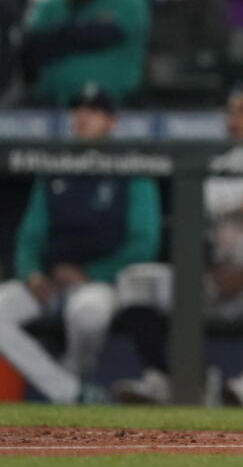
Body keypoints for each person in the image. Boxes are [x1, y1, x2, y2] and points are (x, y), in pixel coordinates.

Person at [113, 90, 243, 408]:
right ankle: (160, 378)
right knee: (136, 280)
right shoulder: (209, 172)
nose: (235, 120)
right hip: (208, 281)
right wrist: (208, 268)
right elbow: (187, 238)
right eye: (231, 112)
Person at [0, 85, 159, 403]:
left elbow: (145, 241)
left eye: (94, 112)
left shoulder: (133, 169)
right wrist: (30, 271)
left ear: (111, 122)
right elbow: (30, 235)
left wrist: (93, 273)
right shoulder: (55, 167)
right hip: (49, 281)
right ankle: (71, 391)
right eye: (78, 111)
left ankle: (74, 375)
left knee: (87, 313)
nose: (83, 118)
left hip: (101, 281)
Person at [22, 0, 150, 105]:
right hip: (52, 103)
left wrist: (60, 35)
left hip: (115, 105)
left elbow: (105, 34)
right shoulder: (53, 3)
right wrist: (80, 31)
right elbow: (31, 46)